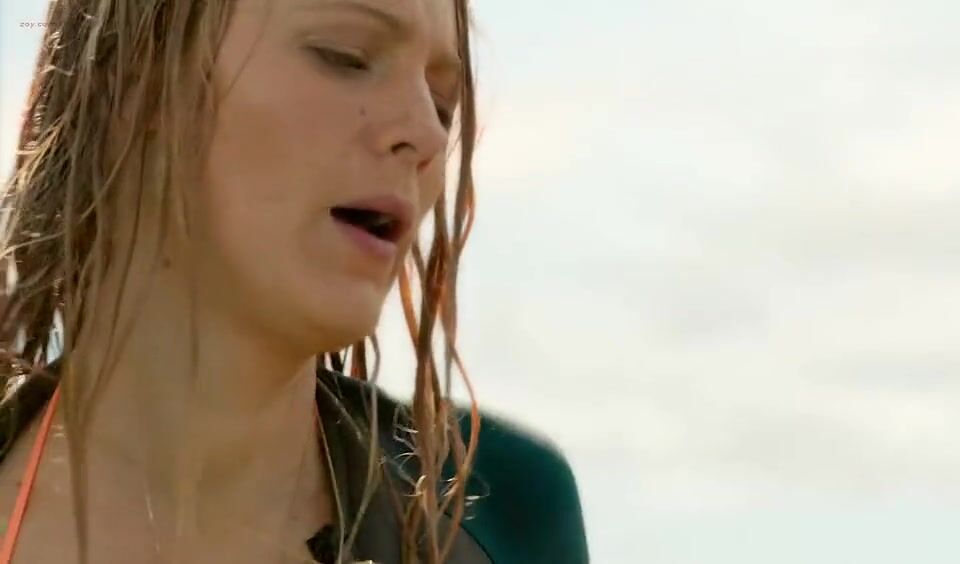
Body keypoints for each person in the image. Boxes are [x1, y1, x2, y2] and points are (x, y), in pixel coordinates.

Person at [0, 0, 589, 562]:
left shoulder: (498, 513)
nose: (428, 136)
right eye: (346, 55)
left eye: (441, 104)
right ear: (134, 78)